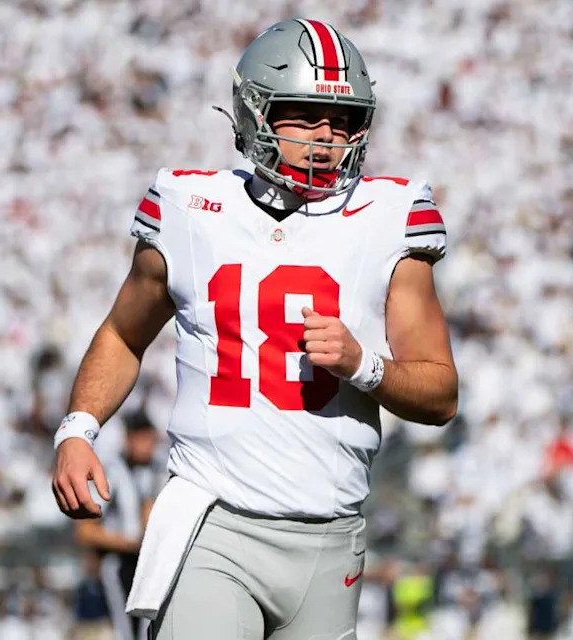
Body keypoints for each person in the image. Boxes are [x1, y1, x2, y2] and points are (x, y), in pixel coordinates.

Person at [52, 18, 458, 639]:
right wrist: (78, 429)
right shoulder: (190, 208)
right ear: (254, 112)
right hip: (213, 520)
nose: (327, 136)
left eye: (343, 119)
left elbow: (440, 395)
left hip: (330, 535)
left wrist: (362, 365)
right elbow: (122, 334)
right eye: (304, 114)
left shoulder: (390, 216)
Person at [73, 412, 159, 640]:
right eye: (142, 439)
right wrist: (128, 543)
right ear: (129, 439)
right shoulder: (113, 472)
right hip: (120, 562)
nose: (147, 446)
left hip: (149, 562)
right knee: (127, 630)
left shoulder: (156, 470)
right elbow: (85, 530)